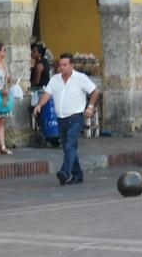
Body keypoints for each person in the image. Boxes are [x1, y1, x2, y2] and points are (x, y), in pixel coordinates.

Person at [33, 53, 99, 185]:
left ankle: (65, 172)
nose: (61, 67)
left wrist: (90, 107)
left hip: (75, 117)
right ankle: (78, 174)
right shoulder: (55, 79)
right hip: (60, 118)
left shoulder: (80, 78)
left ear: (71, 65)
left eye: (65, 65)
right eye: (60, 65)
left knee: (69, 145)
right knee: (68, 147)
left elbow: (94, 91)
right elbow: (47, 94)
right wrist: (39, 105)